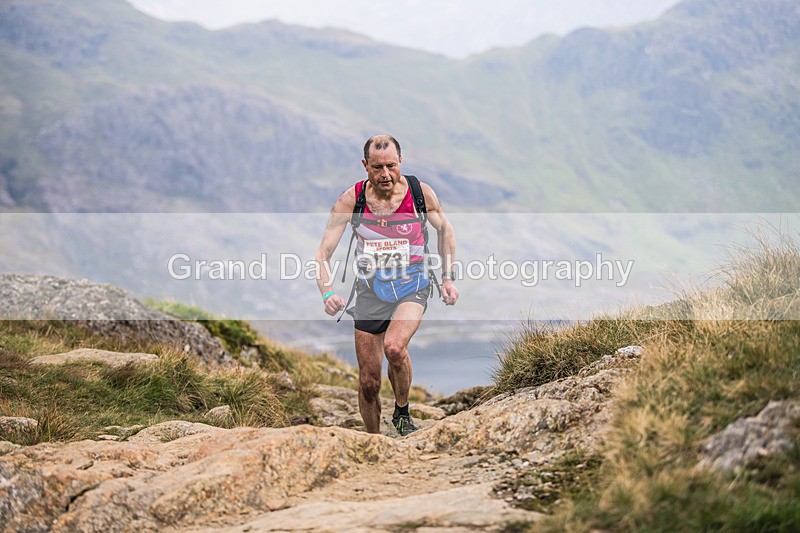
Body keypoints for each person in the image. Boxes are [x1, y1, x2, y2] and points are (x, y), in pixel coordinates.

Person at [315, 134, 459, 436]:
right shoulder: (351, 199)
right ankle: (373, 439)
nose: (385, 175)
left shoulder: (420, 193)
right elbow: (323, 252)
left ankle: (402, 411)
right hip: (370, 291)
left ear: (400, 162)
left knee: (394, 347)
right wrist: (327, 291)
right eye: (377, 167)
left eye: (391, 166)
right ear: (365, 165)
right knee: (368, 380)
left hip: (412, 285)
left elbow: (445, 229)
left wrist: (447, 278)